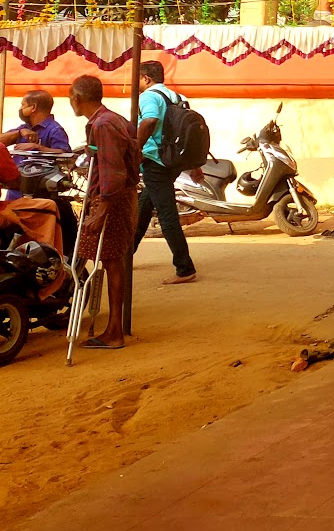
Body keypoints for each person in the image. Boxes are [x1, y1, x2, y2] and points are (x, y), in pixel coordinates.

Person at [68, 74, 140, 349]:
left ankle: (114, 332)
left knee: (110, 261)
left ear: (77, 98)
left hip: (110, 198)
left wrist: (101, 210)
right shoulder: (111, 119)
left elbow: (113, 170)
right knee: (111, 260)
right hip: (113, 196)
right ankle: (112, 329)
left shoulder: (103, 124)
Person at [134, 61, 197, 284]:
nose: (135, 83)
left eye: (138, 78)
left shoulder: (149, 97)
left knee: (167, 214)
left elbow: (150, 120)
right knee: (144, 205)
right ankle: (126, 254)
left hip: (155, 162)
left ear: (146, 79)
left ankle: (185, 268)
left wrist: (135, 147)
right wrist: (194, 165)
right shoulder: (176, 96)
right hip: (172, 162)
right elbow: (187, 133)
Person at [2, 90, 72, 152]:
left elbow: (65, 153)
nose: (20, 109)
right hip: (17, 166)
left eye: (23, 105)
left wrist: (38, 147)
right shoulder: (24, 127)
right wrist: (18, 133)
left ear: (33, 107)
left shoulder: (55, 130)